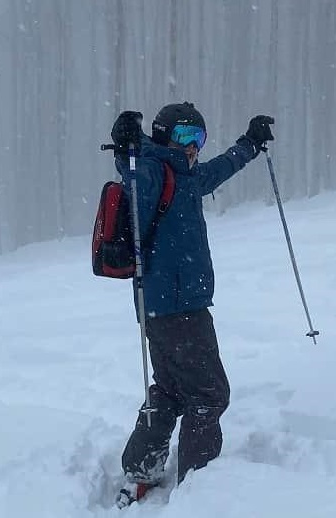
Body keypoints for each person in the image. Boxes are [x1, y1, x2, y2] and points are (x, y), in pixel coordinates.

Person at [110, 102, 274, 507]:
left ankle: (140, 470)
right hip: (179, 307)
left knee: (170, 389)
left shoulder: (187, 176)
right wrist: (127, 147)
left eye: (197, 138)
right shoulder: (152, 169)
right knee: (209, 393)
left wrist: (250, 143)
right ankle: (201, 487)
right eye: (184, 137)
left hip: (166, 308)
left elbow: (223, 167)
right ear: (165, 136)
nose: (192, 147)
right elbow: (134, 181)